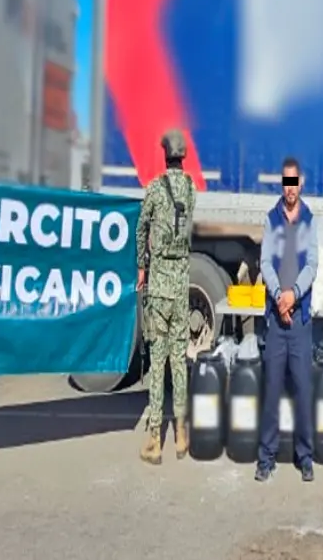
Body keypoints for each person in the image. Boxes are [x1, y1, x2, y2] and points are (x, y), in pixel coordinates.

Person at [135, 129, 196, 465]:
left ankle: (155, 439)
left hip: (159, 287)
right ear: (183, 156)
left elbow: (141, 226)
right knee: (179, 361)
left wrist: (142, 265)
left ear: (164, 155)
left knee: (157, 361)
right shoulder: (191, 189)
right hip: (182, 284)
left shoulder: (156, 189)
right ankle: (182, 435)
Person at [256, 157, 318, 482]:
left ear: (301, 183)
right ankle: (266, 458)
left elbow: (313, 265)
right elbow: (265, 261)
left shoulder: (308, 220)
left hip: (301, 320)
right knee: (272, 391)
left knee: (303, 391)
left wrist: (293, 294)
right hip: (278, 321)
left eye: (293, 182)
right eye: (285, 182)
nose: (289, 188)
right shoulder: (271, 219)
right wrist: (279, 295)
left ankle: (305, 457)